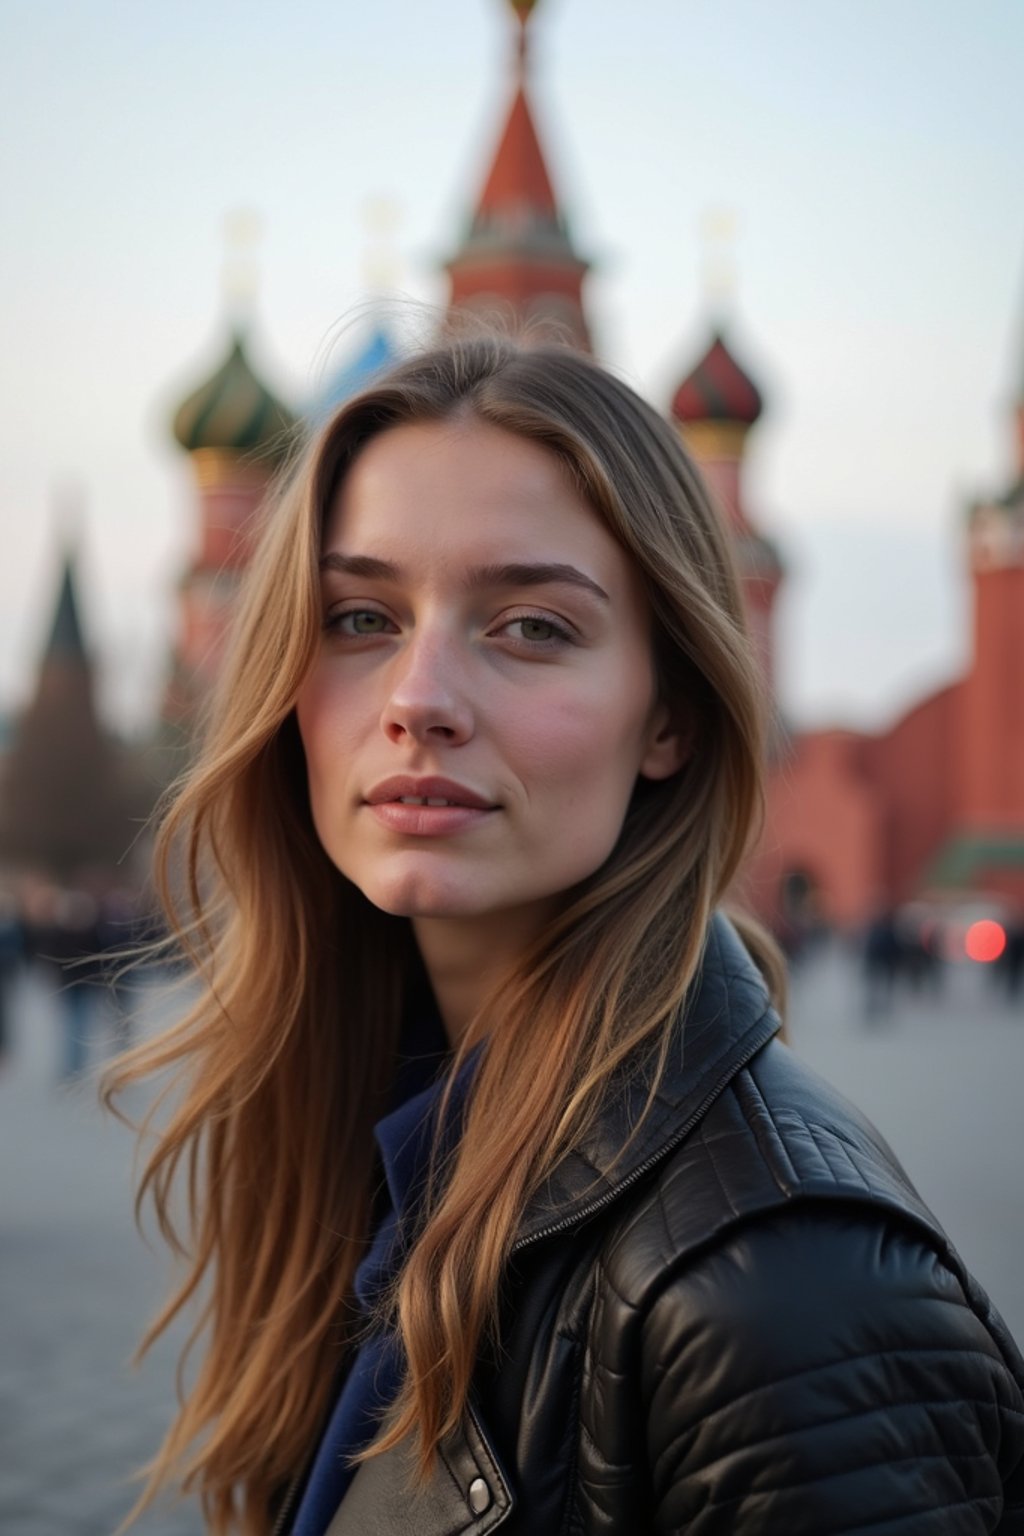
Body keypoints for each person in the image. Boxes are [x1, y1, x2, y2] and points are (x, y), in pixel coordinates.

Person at [106, 336, 1024, 1536]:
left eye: (532, 626)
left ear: (670, 719)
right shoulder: (371, 1132)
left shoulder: (778, 1295)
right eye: (361, 615)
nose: (418, 698)